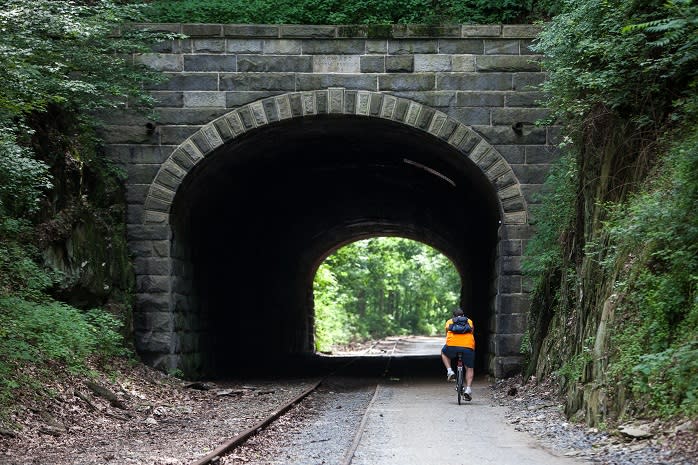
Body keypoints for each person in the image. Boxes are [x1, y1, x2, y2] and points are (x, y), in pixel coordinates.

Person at [441, 308, 475, 401]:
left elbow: (447, 335)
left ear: (453, 316)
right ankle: (468, 390)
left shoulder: (449, 322)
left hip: (452, 346)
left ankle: (449, 371)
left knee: (443, 353)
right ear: (463, 315)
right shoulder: (469, 321)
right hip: (468, 347)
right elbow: (472, 332)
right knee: (469, 368)